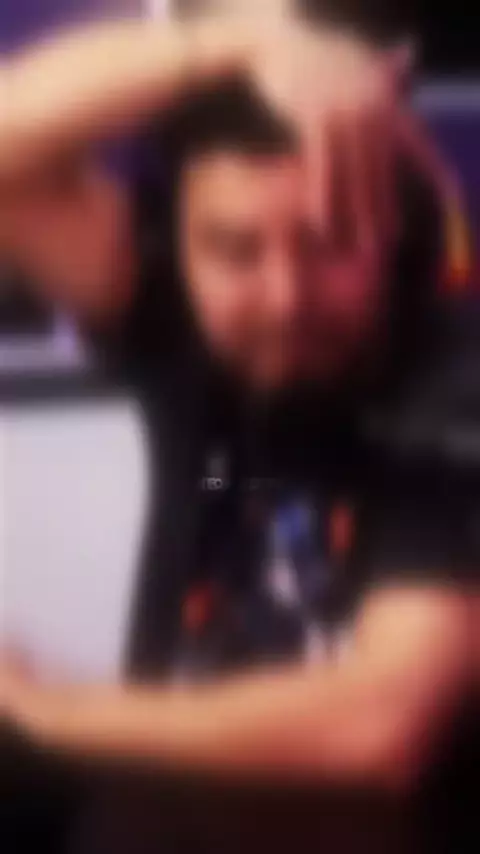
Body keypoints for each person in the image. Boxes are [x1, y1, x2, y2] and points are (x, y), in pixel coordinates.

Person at [1, 8, 478, 854]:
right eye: (233, 249)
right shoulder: (169, 319)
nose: (284, 298)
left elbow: (380, 726)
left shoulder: (454, 378)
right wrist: (243, 37)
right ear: (176, 248)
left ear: (395, 233)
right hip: (158, 814)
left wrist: (45, 713)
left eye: (331, 240)